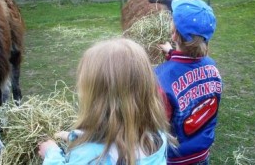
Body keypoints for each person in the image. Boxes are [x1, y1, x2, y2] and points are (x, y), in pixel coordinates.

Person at [38, 38, 175, 165]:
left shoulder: (90, 157)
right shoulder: (157, 136)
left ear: (94, 99)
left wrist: (51, 154)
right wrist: (72, 137)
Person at [155, 0, 223, 165]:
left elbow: (158, 125)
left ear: (174, 34)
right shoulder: (212, 67)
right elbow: (189, 67)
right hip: (202, 154)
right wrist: (172, 53)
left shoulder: (160, 78)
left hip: (176, 159)